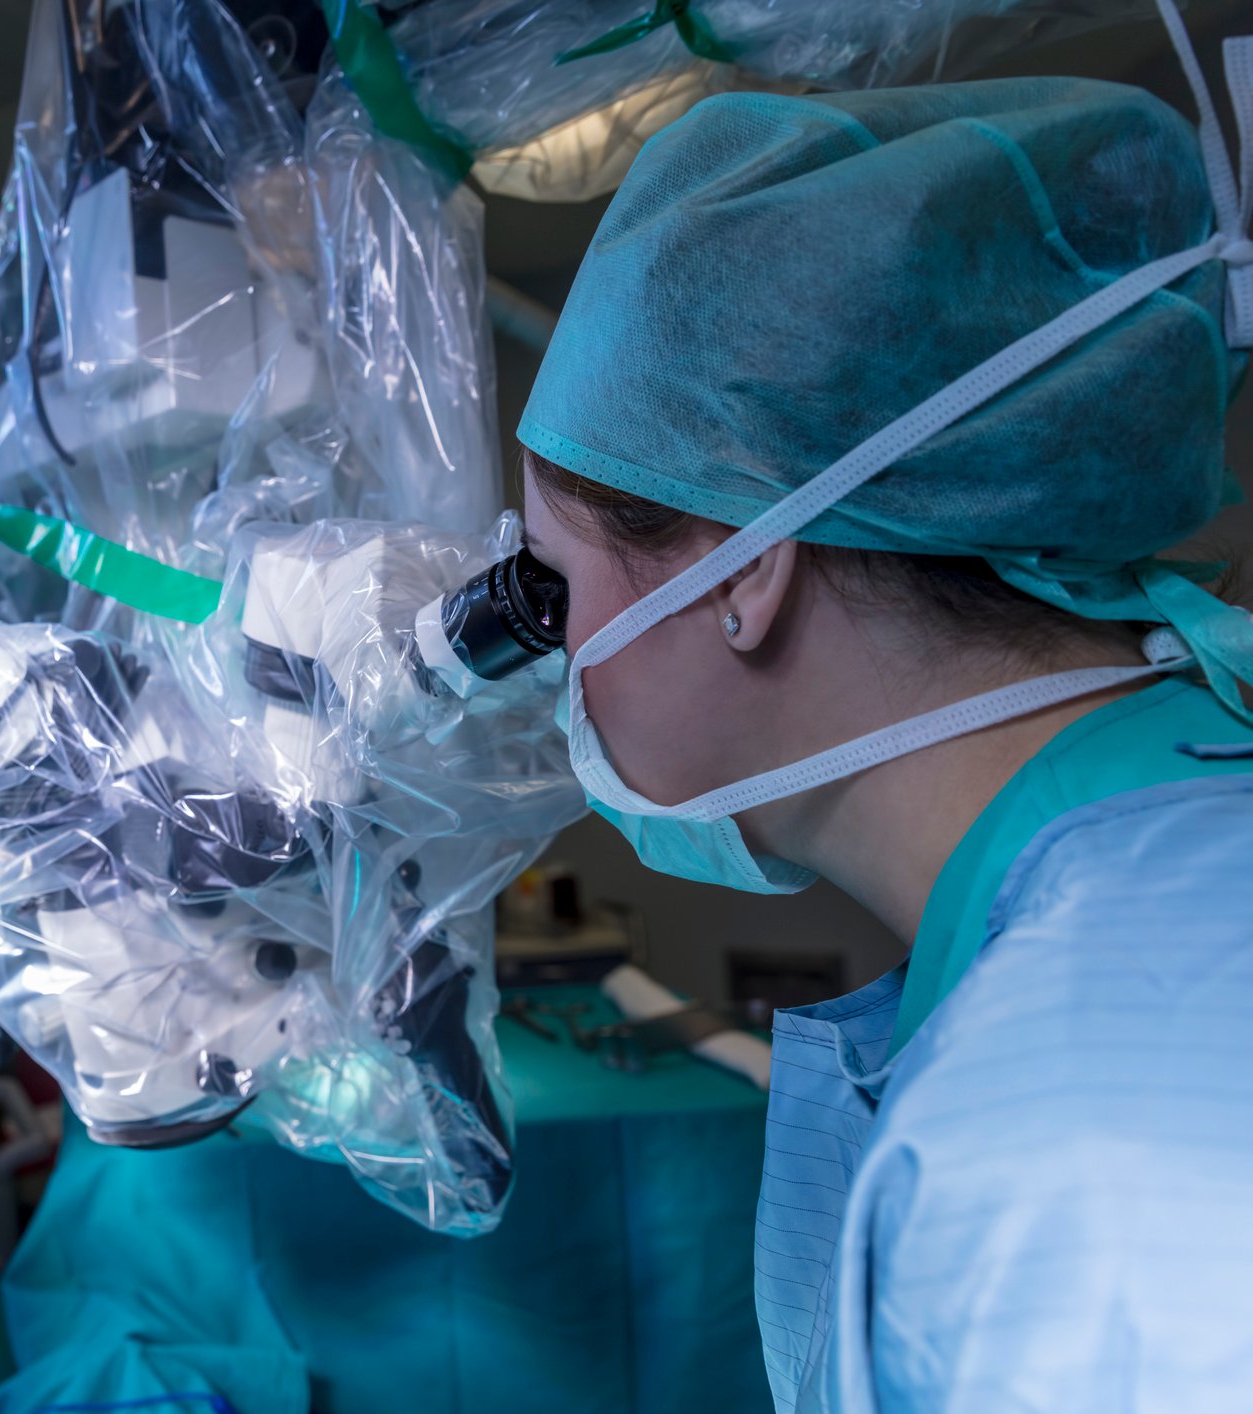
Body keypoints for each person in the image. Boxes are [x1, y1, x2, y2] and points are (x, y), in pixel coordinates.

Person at [516, 6, 1253, 1411]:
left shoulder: (1076, 1139)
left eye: (553, 585)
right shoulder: (1172, 819)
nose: (555, 660)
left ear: (746, 572)